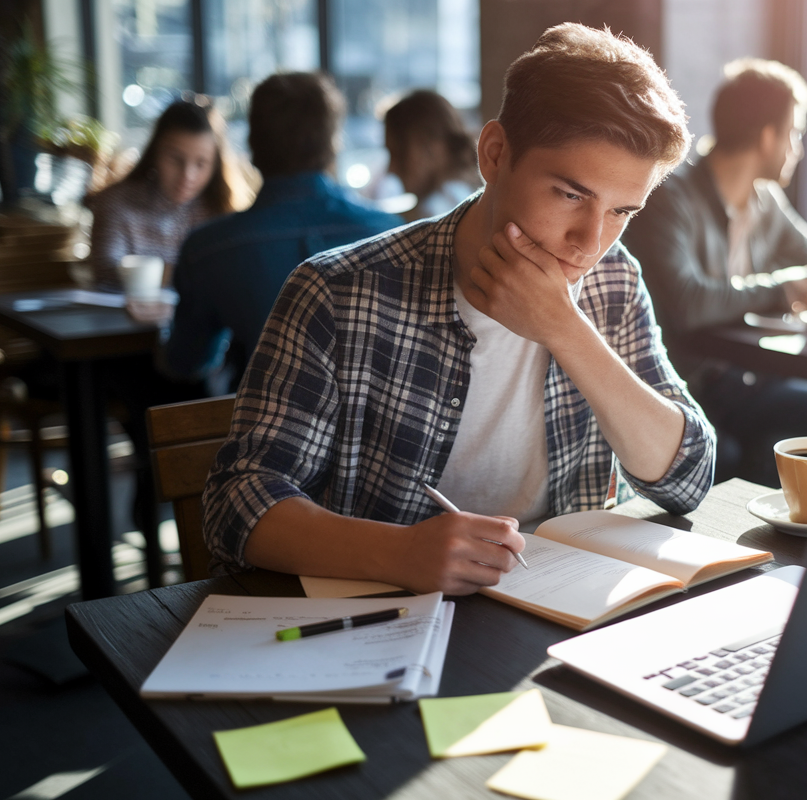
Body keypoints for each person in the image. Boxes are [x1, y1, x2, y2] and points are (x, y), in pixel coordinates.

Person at [202, 24, 715, 595]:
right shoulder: (339, 291)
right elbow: (236, 504)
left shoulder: (611, 280)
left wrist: (565, 330)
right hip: (386, 622)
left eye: (622, 211)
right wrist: (401, 553)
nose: (588, 243)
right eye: (571, 195)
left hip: (560, 612)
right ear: (494, 154)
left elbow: (688, 478)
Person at [623, 58, 807, 487]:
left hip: (742, 379)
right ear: (767, 137)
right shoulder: (672, 196)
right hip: (682, 386)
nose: (797, 149)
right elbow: (688, 302)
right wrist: (785, 288)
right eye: (794, 134)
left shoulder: (764, 201)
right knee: (735, 451)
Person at [160, 73, 403, 387]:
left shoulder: (208, 249)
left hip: (269, 428)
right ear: (333, 142)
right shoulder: (391, 233)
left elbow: (189, 361)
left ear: (252, 144)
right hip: (382, 431)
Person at [86, 99, 251, 291]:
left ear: (216, 166)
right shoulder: (115, 202)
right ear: (155, 152)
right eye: (176, 159)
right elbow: (106, 271)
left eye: (201, 164)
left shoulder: (223, 208)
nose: (187, 176)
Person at [382, 89, 481, 222]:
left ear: (429, 147)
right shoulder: (469, 195)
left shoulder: (436, 211)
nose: (390, 169)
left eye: (397, 154)